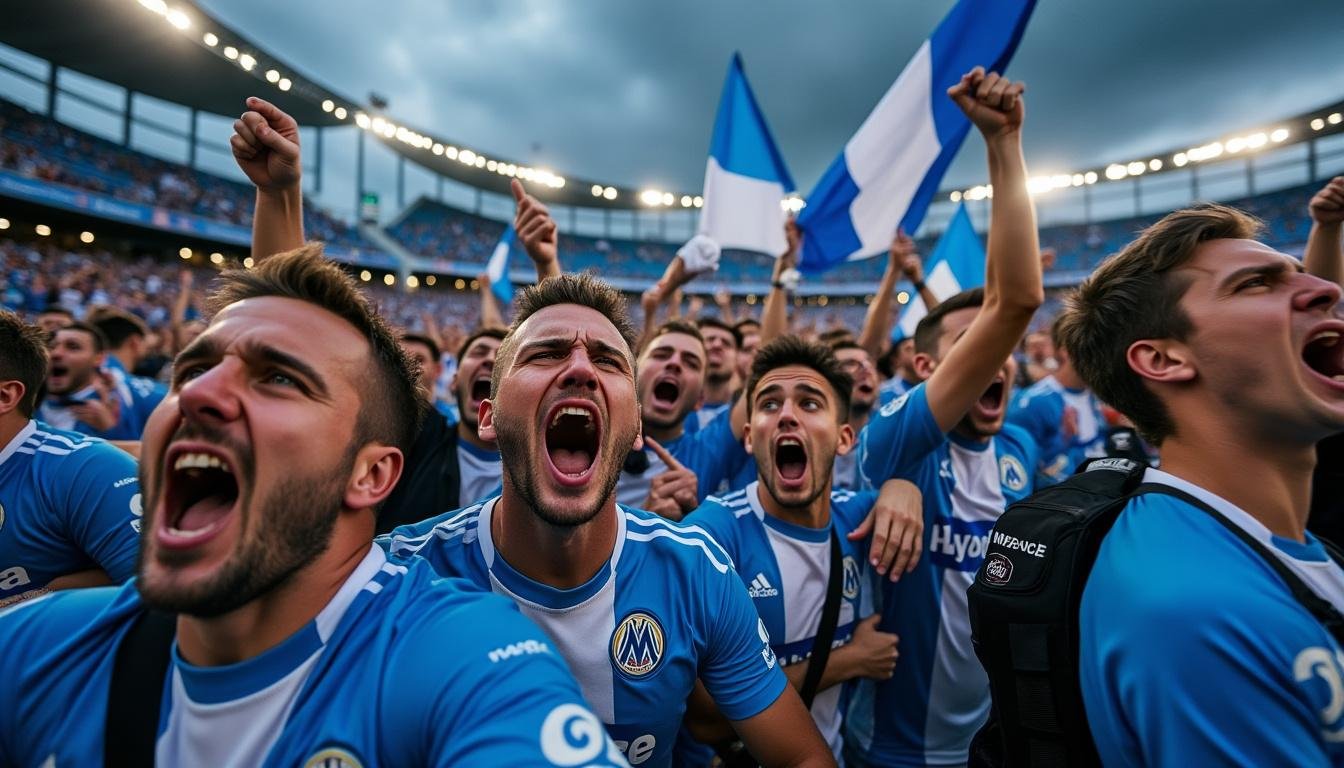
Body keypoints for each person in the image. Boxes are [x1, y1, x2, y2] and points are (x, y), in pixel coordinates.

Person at [0, 244, 624, 767]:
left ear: (372, 474)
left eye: (278, 379)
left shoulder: (467, 664)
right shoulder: (39, 646)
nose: (201, 395)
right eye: (192, 371)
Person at [383, 274, 835, 768]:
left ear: (636, 425)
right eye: (546, 354)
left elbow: (801, 757)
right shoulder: (400, 578)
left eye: (606, 360)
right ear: (488, 417)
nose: (580, 369)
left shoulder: (698, 572)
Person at [1063, 178, 1344, 765]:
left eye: (1300, 273)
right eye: (1255, 284)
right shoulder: (1192, 610)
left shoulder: (1244, 544)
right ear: (1163, 359)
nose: (1323, 290)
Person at [845, 67, 1044, 767]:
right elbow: (1014, 302)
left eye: (1005, 353)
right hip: (893, 749)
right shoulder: (897, 435)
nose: (1000, 360)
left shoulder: (1021, 444)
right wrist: (1002, 145)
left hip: (994, 742)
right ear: (929, 370)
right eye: (973, 348)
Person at [684, 336, 923, 762]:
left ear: (844, 437)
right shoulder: (712, 535)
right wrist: (849, 661)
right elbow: (704, 719)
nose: (787, 416)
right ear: (748, 436)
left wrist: (902, 486)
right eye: (770, 404)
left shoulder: (862, 518)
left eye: (810, 404)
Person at [0, 309, 141, 606]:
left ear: (6, 397)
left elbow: (165, 601)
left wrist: (37, 601)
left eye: (74, 346)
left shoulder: (87, 469)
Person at [616, 319, 751, 517]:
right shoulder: (592, 438)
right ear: (632, 373)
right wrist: (646, 521)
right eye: (661, 355)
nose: (674, 363)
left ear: (700, 399)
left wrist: (684, 524)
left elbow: (771, 372)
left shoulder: (707, 452)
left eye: (691, 363)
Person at [1005, 315, 1107, 486]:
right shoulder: (1034, 403)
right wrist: (1062, 448)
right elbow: (1016, 473)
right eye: (1096, 345)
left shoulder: (1094, 395)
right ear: (1066, 350)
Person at [38, 322, 135, 439]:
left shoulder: (117, 405)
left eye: (73, 347)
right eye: (52, 347)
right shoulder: (27, 400)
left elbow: (136, 452)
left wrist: (110, 430)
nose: (56, 354)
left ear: (99, 358)